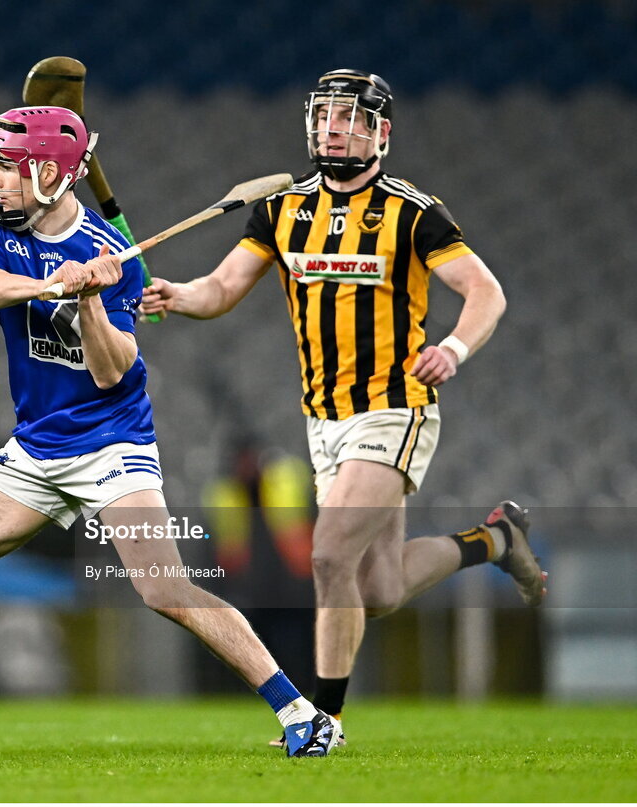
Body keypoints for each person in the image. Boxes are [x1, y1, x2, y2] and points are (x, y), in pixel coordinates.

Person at [0, 105, 339, 761]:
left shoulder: (116, 260)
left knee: (165, 589)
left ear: (52, 175)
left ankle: (303, 714)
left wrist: (88, 299)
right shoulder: (1, 230)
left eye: (9, 167)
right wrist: (48, 283)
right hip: (32, 450)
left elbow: (115, 371)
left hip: (111, 447)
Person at [140, 70, 548, 746]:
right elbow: (221, 286)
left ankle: (321, 721)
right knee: (379, 587)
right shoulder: (281, 208)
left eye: (350, 119)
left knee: (328, 556)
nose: (332, 128)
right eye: (325, 116)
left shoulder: (414, 212)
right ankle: (499, 539)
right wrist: (178, 294)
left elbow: (486, 291)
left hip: (395, 407)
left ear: (381, 133)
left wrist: (453, 347)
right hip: (323, 420)